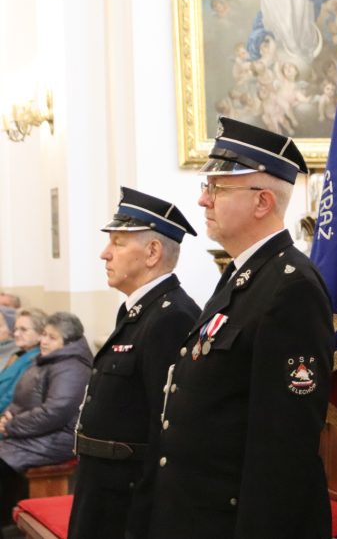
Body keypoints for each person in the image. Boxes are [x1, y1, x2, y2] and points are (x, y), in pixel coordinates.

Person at [149, 117, 333, 539]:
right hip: (197, 514)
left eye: (217, 188)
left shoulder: (291, 288)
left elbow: (284, 444)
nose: (203, 200)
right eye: (207, 187)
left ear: (262, 202)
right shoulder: (244, 276)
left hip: (234, 520)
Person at [69, 188, 202, 539]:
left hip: (128, 501)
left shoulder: (171, 317)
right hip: (104, 489)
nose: (104, 253)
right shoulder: (138, 311)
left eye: (118, 243)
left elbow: (168, 429)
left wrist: (146, 516)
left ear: (152, 252)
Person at [0, 312, 92, 520]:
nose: (44, 341)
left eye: (52, 337)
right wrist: (8, 415)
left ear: (68, 342)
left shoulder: (72, 367)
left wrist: (11, 425)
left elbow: (55, 411)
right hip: (34, 434)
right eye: (44, 334)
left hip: (55, 439)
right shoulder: (48, 360)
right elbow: (21, 398)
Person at [0, 309, 45, 413]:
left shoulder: (35, 360)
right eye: (15, 329)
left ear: (40, 334)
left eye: (23, 330)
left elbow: (12, 395)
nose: (16, 334)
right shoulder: (20, 355)